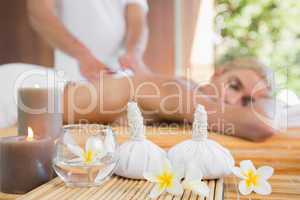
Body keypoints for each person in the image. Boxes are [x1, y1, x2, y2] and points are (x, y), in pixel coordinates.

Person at [63, 58, 276, 141]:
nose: (232, 100)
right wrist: (267, 99)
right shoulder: (177, 91)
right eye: (234, 85)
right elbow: (262, 123)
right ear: (217, 74)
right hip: (41, 104)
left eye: (247, 101)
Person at [27, 0, 149, 81]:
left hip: (123, 71)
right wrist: (82, 55)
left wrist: (134, 53)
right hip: (73, 71)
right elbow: (40, 12)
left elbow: (137, 18)